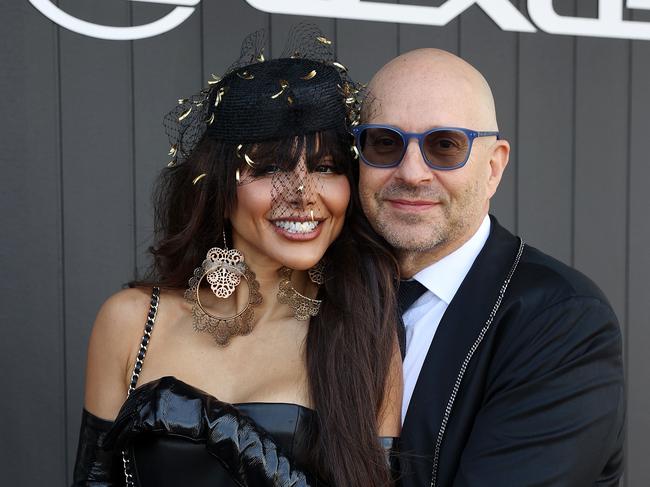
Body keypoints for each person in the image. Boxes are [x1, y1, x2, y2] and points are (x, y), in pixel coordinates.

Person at [71, 27, 402, 487]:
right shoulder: (130, 322)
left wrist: (217, 428)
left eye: (327, 168)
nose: (303, 195)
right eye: (270, 168)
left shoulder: (365, 330)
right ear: (219, 188)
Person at [355, 48, 624, 486]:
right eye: (385, 142)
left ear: (493, 167)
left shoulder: (562, 321)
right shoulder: (320, 292)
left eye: (445, 146)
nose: (411, 172)